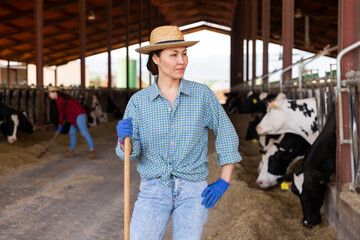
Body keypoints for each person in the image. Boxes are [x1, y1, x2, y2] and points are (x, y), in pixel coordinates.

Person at [115, 25, 241, 240]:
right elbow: (129, 154)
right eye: (173, 55)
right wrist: (122, 139)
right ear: (156, 59)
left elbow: (227, 133)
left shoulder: (202, 96)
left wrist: (224, 180)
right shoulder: (139, 102)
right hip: (153, 191)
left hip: (193, 192)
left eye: (184, 54)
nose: (181, 61)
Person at [48, 86, 96, 159]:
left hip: (78, 115)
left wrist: (60, 124)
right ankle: (71, 151)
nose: (49, 95)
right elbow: (65, 111)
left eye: (50, 93)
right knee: (71, 132)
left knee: (84, 132)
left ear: (55, 93)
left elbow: (61, 114)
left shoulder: (59, 100)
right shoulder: (61, 99)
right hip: (74, 116)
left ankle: (92, 151)